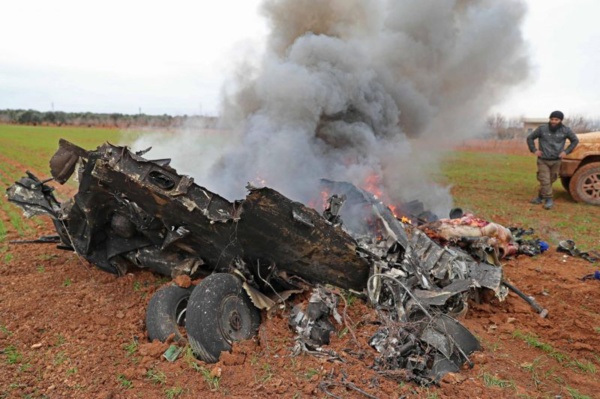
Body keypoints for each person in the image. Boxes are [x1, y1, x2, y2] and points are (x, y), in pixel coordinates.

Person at [526, 110, 579, 209]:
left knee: (551, 179)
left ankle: (540, 197)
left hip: (556, 160)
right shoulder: (542, 129)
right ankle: (549, 199)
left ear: (561, 120)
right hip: (543, 160)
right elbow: (530, 138)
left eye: (556, 119)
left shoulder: (566, 130)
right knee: (545, 180)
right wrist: (534, 150)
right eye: (552, 119)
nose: (553, 121)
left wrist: (566, 152)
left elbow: (575, 140)